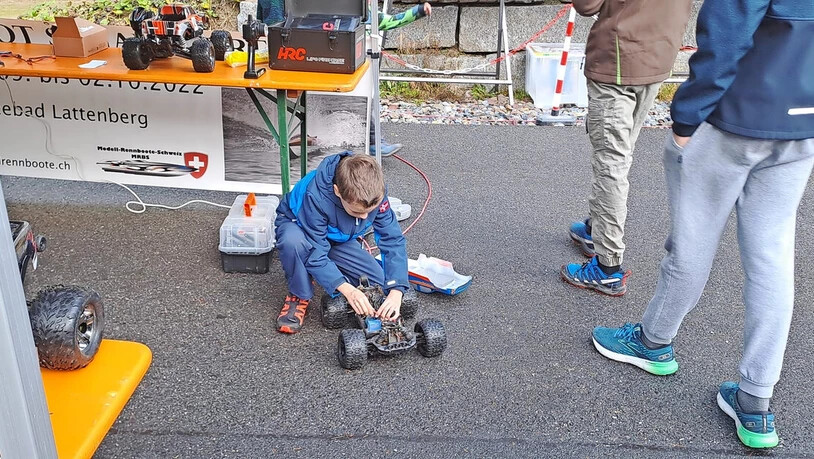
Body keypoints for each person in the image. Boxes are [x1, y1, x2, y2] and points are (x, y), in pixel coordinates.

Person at [591, 0, 814, 449]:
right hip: (803, 122)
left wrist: (687, 116)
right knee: (772, 261)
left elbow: (726, 36)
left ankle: (653, 341)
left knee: (692, 243)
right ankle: (755, 400)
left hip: (734, 118)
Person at [560, 0, 693, 296]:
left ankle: (607, 266)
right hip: (660, 54)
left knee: (612, 165)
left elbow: (587, 5)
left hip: (618, 59)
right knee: (620, 154)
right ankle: (597, 229)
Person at [256, 1, 433, 157]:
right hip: (303, 62)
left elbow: (390, 21)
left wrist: (418, 11)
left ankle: (372, 142)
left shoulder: (360, 12)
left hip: (332, 66)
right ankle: (308, 137)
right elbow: (271, 26)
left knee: (362, 96)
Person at [274, 153, 409, 333]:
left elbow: (392, 239)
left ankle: (328, 270)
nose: (365, 217)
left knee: (379, 283)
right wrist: (346, 289)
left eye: (370, 211)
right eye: (357, 212)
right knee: (294, 242)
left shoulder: (376, 191)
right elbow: (315, 251)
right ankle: (299, 294)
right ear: (337, 191)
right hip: (301, 230)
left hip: (337, 237)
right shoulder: (316, 197)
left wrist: (396, 289)